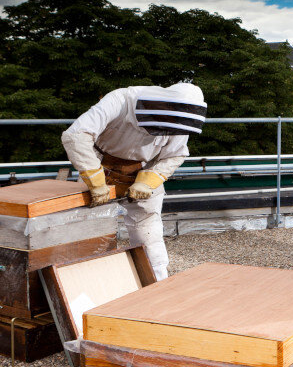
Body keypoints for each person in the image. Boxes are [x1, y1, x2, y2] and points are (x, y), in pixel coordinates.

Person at [61, 84, 206, 280]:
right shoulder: (120, 100)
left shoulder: (180, 120)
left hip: (143, 170)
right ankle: (87, 282)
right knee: (89, 230)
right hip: (99, 168)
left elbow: (175, 154)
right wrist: (95, 180)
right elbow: (76, 135)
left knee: (148, 232)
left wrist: (148, 181)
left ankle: (157, 282)